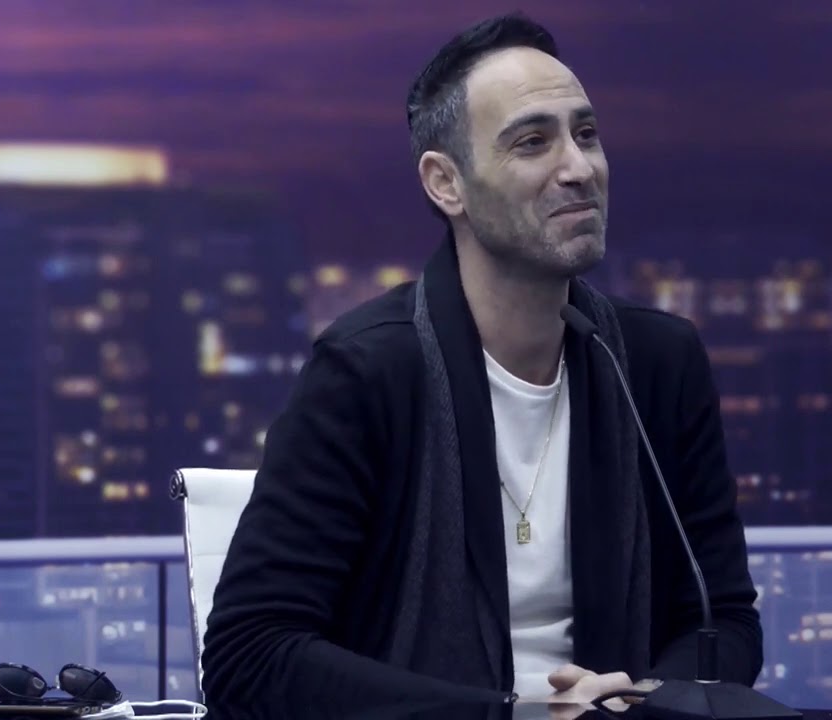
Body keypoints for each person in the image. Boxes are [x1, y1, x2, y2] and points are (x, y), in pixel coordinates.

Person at [199, 11, 763, 714]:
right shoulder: (366, 373)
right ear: (447, 184)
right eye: (533, 142)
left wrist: (640, 699)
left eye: (586, 134)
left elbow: (725, 621)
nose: (579, 169)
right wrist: (507, 715)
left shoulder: (657, 363)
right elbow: (249, 656)